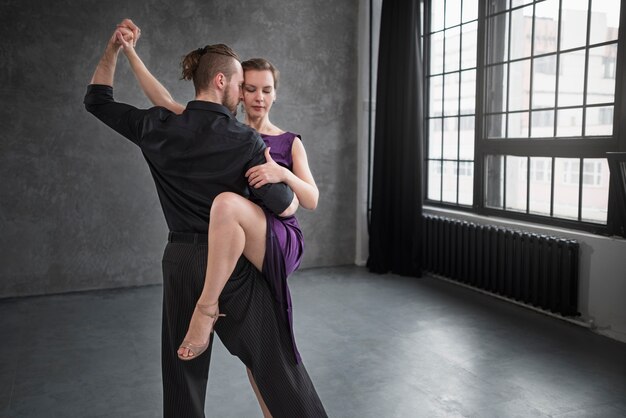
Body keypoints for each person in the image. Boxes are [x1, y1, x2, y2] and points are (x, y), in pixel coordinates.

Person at [84, 19, 327, 418]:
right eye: (241, 86)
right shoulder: (243, 139)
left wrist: (116, 50)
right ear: (222, 82)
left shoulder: (157, 125)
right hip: (230, 265)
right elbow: (284, 205)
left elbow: (97, 101)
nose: (247, 96)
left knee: (183, 379)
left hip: (180, 262)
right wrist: (277, 175)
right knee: (276, 364)